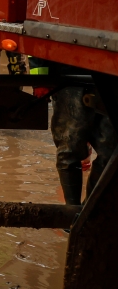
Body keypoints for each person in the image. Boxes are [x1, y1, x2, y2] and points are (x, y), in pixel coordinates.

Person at [28, 58, 116, 205]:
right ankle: (71, 211)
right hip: (69, 74)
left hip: (110, 75)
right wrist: (40, 78)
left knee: (111, 152)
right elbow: (41, 40)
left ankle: (89, 212)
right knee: (69, 149)